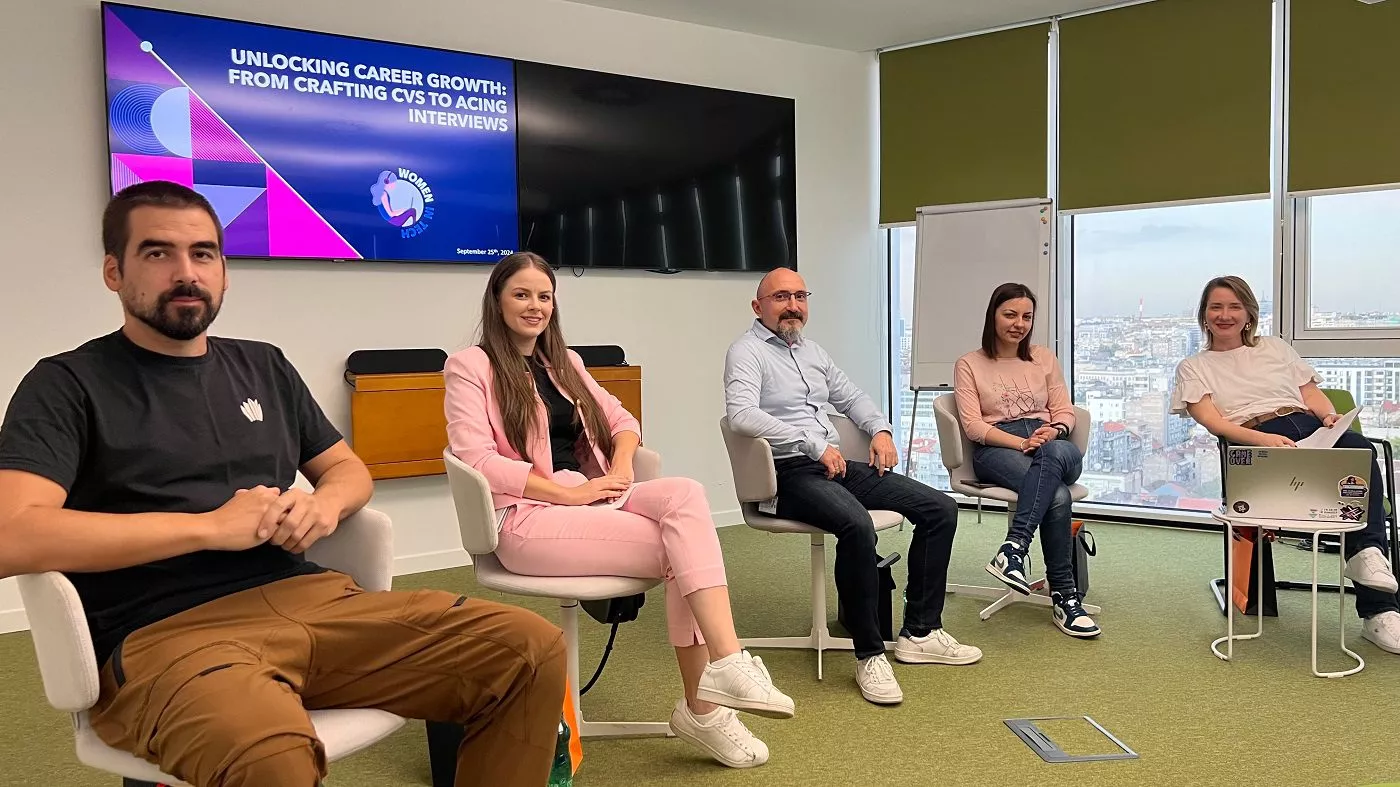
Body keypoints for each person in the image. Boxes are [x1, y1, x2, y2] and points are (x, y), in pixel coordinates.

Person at [0, 182, 568, 787]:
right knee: (268, 756)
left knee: (528, 650)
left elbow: (348, 471)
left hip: (315, 601)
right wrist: (207, 528)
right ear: (114, 271)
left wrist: (324, 505)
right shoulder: (66, 385)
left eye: (203, 253)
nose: (186, 272)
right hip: (165, 633)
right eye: (157, 253)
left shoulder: (263, 365)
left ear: (224, 272)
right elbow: (13, 536)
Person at [443, 251, 794, 770]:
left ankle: (726, 662)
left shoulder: (565, 363)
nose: (535, 306)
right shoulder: (469, 366)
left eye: (544, 296)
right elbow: (477, 460)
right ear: (497, 301)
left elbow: (623, 420)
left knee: (685, 494)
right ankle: (705, 709)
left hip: (591, 494)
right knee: (682, 550)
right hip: (525, 516)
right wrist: (567, 494)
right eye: (521, 294)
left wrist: (621, 468)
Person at [723, 267, 982, 707]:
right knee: (856, 525)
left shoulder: (813, 352)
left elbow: (852, 397)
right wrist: (811, 444)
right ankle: (869, 655)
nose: (793, 305)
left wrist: (880, 430)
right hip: (785, 472)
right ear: (758, 306)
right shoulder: (746, 352)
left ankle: (920, 633)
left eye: (800, 296)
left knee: (939, 507)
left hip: (835, 463)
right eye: (781, 297)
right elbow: (742, 414)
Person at [1172, 275, 1400, 653]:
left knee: (1359, 451)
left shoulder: (1275, 348)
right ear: (1204, 314)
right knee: (1346, 481)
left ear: (1249, 313)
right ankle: (1378, 603)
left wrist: (1328, 417)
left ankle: (1373, 588)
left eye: (1234, 306)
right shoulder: (1193, 366)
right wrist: (1262, 440)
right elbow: (1213, 421)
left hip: (1307, 426)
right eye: (1216, 307)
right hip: (1257, 440)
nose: (1225, 315)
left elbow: (1311, 394)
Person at [953, 283, 1100, 638]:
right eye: (1010, 314)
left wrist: (1053, 432)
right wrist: (1022, 443)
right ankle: (1065, 597)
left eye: (1027, 316)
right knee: (1058, 495)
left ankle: (1013, 548)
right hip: (999, 448)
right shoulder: (969, 364)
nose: (1019, 324)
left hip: (1053, 443)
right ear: (993, 316)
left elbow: (1064, 410)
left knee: (1055, 455)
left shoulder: (1043, 357)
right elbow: (973, 426)